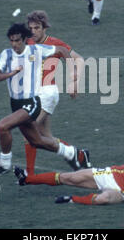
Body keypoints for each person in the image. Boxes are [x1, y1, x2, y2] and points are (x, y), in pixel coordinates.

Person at [0, 23, 90, 178]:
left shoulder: (36, 50)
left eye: (17, 40)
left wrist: (73, 73)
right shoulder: (6, 54)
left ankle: (4, 164)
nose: (14, 44)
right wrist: (11, 73)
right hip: (16, 104)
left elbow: (61, 50)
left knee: (3, 126)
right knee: (36, 141)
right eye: (11, 41)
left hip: (32, 103)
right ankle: (71, 152)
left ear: (24, 39)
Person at [23, 10, 86, 176]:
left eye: (37, 28)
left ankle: (29, 175)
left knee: (29, 132)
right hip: (33, 95)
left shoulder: (55, 44)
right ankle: (77, 154)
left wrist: (75, 82)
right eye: (31, 28)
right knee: (45, 136)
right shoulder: (26, 42)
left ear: (44, 28)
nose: (33, 31)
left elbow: (78, 59)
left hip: (47, 94)